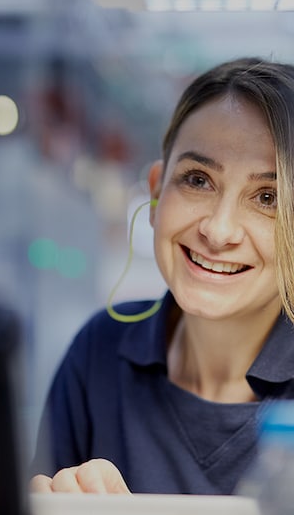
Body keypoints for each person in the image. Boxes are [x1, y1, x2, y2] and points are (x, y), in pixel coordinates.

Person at [30, 56, 294, 496]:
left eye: (268, 197)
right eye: (198, 180)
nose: (218, 230)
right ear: (156, 192)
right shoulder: (100, 351)